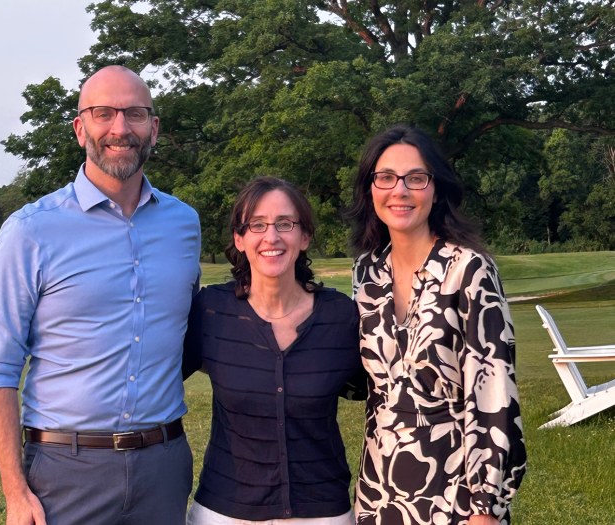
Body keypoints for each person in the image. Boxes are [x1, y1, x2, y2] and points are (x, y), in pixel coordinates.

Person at [0, 65, 201, 525]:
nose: (120, 128)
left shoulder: (185, 224)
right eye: (103, 114)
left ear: (153, 128)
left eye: (135, 114)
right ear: (81, 128)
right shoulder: (30, 231)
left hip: (164, 464)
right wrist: (15, 492)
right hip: (64, 471)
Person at [348, 125, 527, 525]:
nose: (400, 190)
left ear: (436, 187)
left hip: (456, 497)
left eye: (416, 178)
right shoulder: (366, 274)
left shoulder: (469, 270)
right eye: (386, 178)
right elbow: (359, 381)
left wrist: (486, 506)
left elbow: (494, 392)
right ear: (370, 189)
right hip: (377, 494)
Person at [182, 177, 366, 525]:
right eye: (257, 225)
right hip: (225, 511)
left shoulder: (340, 316)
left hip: (322, 512)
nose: (272, 237)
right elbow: (154, 380)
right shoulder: (210, 312)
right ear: (239, 238)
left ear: (305, 236)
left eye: (285, 224)